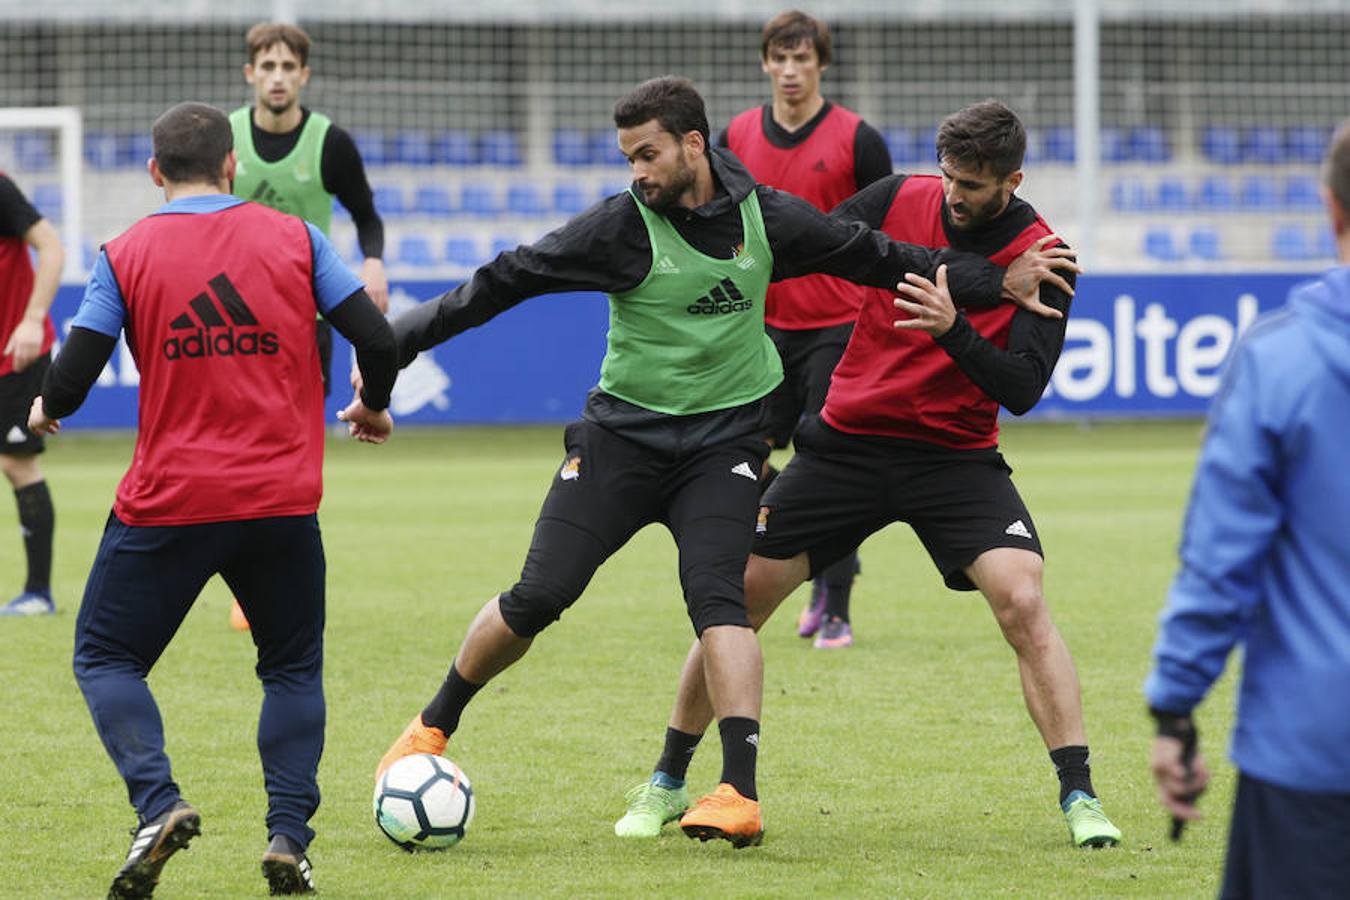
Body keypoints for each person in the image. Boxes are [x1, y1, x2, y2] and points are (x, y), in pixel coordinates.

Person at [374, 78, 1071, 849]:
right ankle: (431, 726)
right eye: (628, 157)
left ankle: (736, 790)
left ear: (693, 145)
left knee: (721, 601)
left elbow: (877, 257)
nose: (636, 171)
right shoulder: (620, 226)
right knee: (539, 595)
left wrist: (990, 282)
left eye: (648, 154)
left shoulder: (765, 216)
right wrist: (392, 346)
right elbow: (503, 280)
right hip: (622, 440)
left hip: (726, 447)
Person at [615, 100, 1122, 850]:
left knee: (1022, 597)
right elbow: (819, 245)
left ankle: (1080, 795)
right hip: (845, 446)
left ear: (1012, 180)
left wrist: (952, 330)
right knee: (737, 601)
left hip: (954, 458)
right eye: (950, 177)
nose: (954, 194)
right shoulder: (898, 198)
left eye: (974, 186)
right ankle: (666, 779)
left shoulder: (1048, 258)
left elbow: (1020, 388)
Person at [30, 102, 396, 898]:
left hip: (170, 503)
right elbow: (379, 337)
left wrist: (46, 405)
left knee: (105, 656)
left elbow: (76, 370)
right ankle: (289, 840)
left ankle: (157, 803)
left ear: (155, 173)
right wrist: (372, 403)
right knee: (292, 670)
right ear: (232, 166)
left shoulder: (125, 252)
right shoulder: (296, 238)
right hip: (281, 502)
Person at [1145, 123, 1350, 899]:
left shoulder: (1279, 361)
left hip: (1313, 747)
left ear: (1330, 209)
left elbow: (1220, 560)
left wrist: (1174, 708)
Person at [718, 9, 893, 649]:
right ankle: (810, 560)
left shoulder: (858, 139)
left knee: (829, 465)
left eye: (803, 59)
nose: (791, 70)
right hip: (759, 331)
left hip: (840, 329)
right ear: (766, 63)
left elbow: (886, 236)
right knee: (736, 454)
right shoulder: (733, 136)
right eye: (780, 58)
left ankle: (835, 606)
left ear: (822, 64)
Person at [227, 20, 389, 632]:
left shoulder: (328, 142)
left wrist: (372, 260)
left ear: (303, 76)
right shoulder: (228, 138)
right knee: (238, 445)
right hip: (233, 322)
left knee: (296, 451)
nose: (276, 77)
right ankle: (242, 575)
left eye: (286, 67)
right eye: (265, 67)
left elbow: (367, 215)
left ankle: (282, 569)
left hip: (303, 321)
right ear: (250, 75)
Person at [0, 173, 62, 616]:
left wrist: (33, 318)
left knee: (17, 464)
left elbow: (53, 249)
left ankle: (38, 592)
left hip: (16, 353)